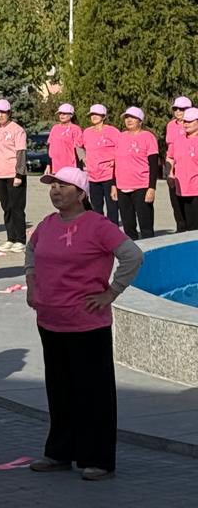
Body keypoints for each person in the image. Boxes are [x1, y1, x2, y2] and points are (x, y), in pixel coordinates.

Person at [26, 166, 142, 481]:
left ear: (81, 194)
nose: (56, 191)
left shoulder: (98, 225)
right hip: (50, 321)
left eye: (63, 186)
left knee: (94, 394)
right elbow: (32, 250)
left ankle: (98, 459)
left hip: (87, 325)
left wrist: (111, 292)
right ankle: (60, 452)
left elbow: (132, 255)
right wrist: (31, 282)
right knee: (60, 391)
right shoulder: (47, 224)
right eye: (52, 186)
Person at [112, 106, 159, 241]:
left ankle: (149, 253)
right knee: (128, 226)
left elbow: (154, 164)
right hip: (122, 186)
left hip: (142, 186)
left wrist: (152, 188)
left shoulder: (148, 137)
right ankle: (133, 255)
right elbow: (116, 162)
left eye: (132, 117)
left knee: (146, 226)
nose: (129, 120)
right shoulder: (120, 137)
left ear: (140, 120)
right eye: (126, 117)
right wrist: (114, 185)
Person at [0, 99, 28, 253]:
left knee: (17, 207)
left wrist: (19, 174)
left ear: (9, 113)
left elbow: (21, 153)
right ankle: (10, 238)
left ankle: (20, 239)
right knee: (6, 207)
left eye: (3, 112)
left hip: (13, 174)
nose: (0, 115)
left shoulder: (17, 129)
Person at [84, 105, 119, 225]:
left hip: (109, 175)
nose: (93, 117)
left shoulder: (112, 131)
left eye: (96, 114)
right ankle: (99, 231)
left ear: (103, 116)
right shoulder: (87, 132)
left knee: (112, 207)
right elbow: (79, 146)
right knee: (96, 208)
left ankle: (112, 231)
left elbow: (121, 149)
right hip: (93, 176)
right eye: (91, 115)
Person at [165, 96, 192, 232]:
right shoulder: (171, 125)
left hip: (191, 170)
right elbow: (170, 149)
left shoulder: (193, 124)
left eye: (182, 109)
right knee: (176, 203)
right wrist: (169, 173)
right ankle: (181, 229)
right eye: (175, 108)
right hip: (175, 168)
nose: (178, 111)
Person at [171, 107, 198, 229]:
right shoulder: (178, 140)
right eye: (185, 121)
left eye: (190, 121)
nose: (186, 124)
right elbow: (171, 158)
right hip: (182, 189)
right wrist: (171, 174)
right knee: (187, 227)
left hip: (196, 190)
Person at [46, 103, 83, 175]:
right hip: (55, 169)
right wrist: (48, 165)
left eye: (64, 113)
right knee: (56, 186)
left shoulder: (76, 129)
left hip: (71, 169)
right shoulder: (55, 128)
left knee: (69, 187)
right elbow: (50, 149)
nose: (61, 115)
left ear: (71, 115)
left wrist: (80, 169)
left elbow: (79, 150)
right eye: (60, 113)